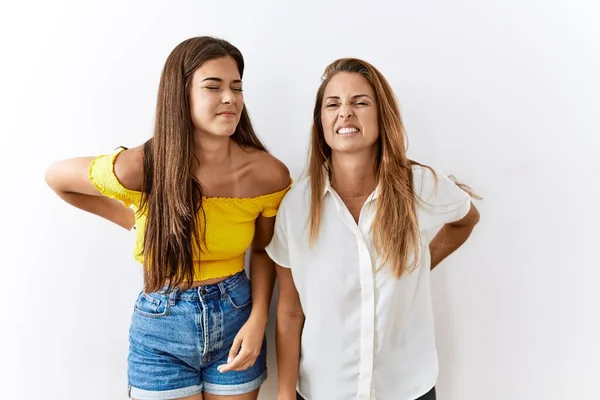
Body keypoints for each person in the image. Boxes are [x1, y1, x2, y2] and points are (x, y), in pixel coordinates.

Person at [45, 36, 291, 400]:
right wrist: (138, 221)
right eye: (213, 87)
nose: (230, 98)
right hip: (161, 324)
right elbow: (58, 178)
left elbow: (264, 250)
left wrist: (258, 320)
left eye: (236, 87)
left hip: (236, 316)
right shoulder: (140, 166)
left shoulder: (268, 174)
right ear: (181, 94)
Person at [266, 58, 480, 400]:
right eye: (333, 104)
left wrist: (419, 261)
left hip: (408, 389)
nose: (345, 113)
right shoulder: (296, 206)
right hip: (324, 391)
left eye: (360, 102)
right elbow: (290, 311)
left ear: (382, 116)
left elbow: (466, 218)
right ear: (320, 121)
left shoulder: (420, 187)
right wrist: (284, 395)